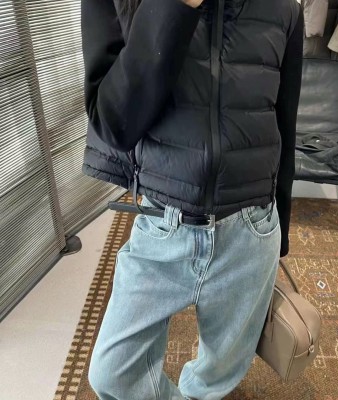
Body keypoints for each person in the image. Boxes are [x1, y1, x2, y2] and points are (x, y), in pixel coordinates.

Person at [81, 0, 304, 399]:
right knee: (113, 374)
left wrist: (279, 232)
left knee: (219, 375)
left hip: (251, 230)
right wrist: (174, 8)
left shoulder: (285, 7)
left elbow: (285, 124)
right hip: (163, 226)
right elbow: (113, 124)